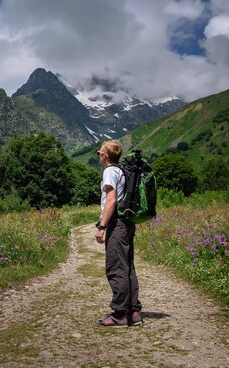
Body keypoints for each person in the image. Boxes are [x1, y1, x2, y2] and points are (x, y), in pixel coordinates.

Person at [95, 140, 142, 327]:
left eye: (99, 153)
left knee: (116, 267)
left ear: (104, 156)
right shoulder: (122, 171)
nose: (98, 156)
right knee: (128, 266)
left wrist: (101, 226)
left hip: (117, 224)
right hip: (127, 223)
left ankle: (120, 314)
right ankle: (134, 311)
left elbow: (111, 200)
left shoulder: (109, 172)